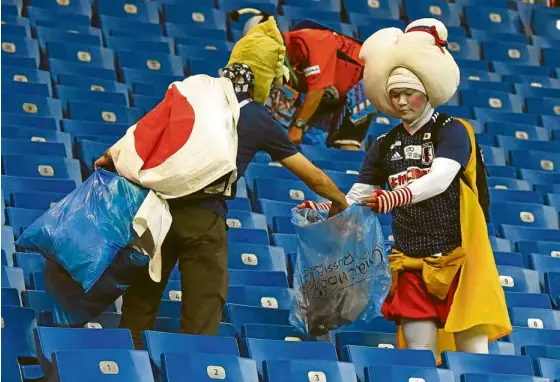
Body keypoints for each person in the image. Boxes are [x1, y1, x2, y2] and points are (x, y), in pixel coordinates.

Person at [94, 17, 348, 349]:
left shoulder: (194, 93)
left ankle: (127, 364)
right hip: (203, 218)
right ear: (265, 77)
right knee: (204, 303)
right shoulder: (258, 117)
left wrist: (108, 159)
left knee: (142, 298)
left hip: (156, 210)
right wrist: (340, 201)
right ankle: (193, 367)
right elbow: (311, 175)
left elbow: (141, 135)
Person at [299, 19, 511, 361]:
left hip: (458, 261)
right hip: (411, 262)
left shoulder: (453, 130)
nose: (400, 101)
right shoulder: (384, 144)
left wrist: (394, 196)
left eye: (407, 93)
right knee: (419, 356)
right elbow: (356, 197)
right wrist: (325, 208)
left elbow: (440, 178)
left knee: (473, 357)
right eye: (394, 94)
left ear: (427, 91)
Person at [231, 9, 374, 150]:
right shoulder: (278, 63)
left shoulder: (310, 41)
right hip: (332, 93)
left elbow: (317, 90)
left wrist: (297, 126)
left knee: (344, 143)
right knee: (310, 135)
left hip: (367, 77)